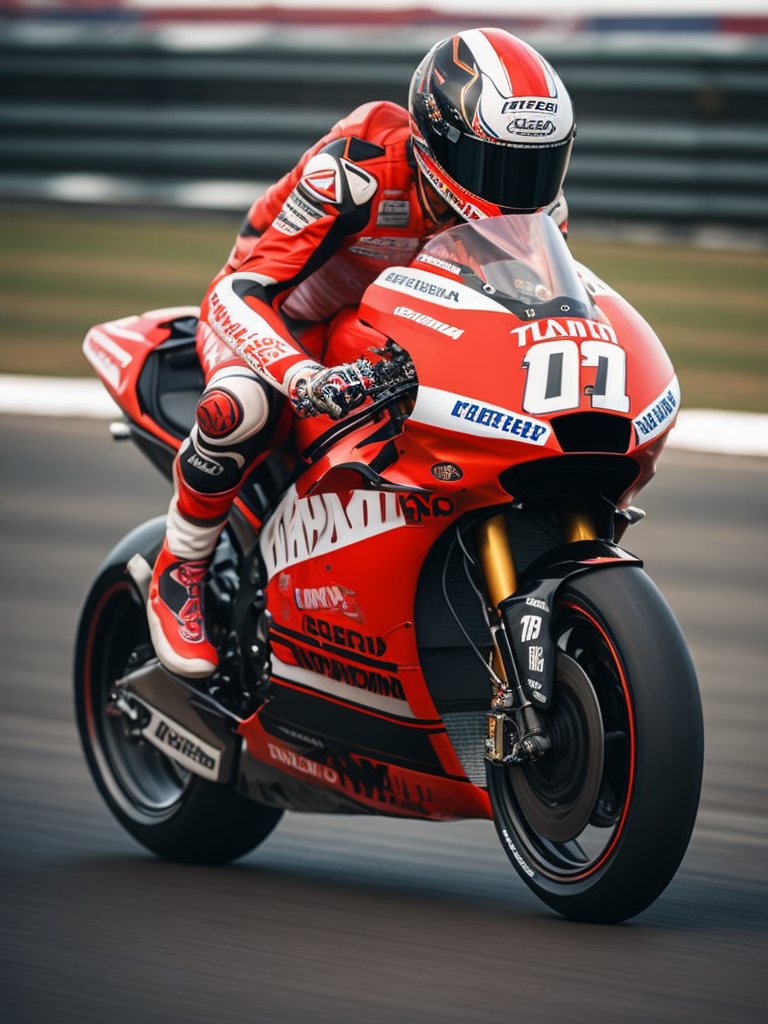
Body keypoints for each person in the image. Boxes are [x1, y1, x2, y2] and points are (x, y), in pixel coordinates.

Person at [147, 27, 577, 678]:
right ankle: (180, 566)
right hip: (276, 323)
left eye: (538, 165)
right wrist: (299, 376)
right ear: (442, 148)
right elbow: (237, 291)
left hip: (380, 330)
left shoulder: (539, 214)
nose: (523, 189)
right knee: (243, 407)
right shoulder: (354, 170)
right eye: (503, 166)